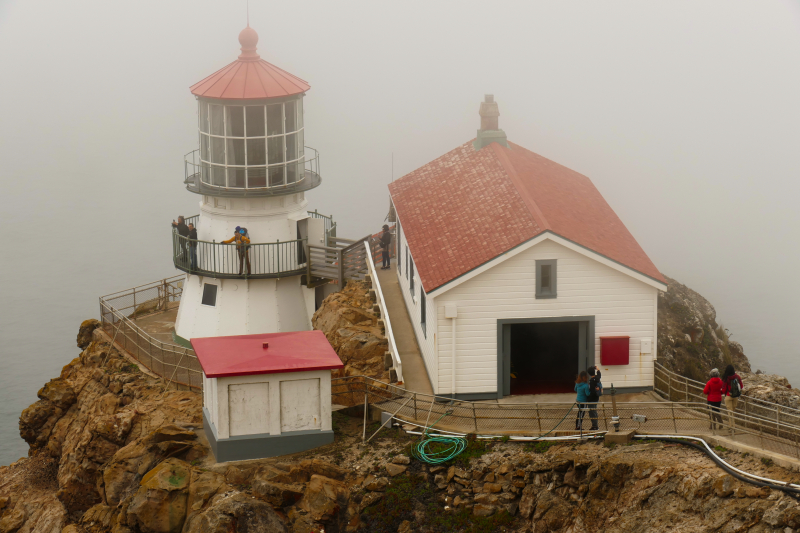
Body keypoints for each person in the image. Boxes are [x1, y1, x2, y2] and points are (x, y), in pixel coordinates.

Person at [721, 364, 744, 435]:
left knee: (730, 412)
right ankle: (731, 426)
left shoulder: (726, 378)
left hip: (728, 396)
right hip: (735, 396)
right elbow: (742, 386)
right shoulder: (737, 377)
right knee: (732, 412)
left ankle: (732, 427)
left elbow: (724, 389)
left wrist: (722, 392)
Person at [587, 366, 603, 431]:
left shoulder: (591, 381)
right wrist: (597, 369)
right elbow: (599, 374)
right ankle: (595, 425)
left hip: (592, 399)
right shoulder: (597, 378)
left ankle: (595, 426)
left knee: (592, 412)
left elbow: (592, 391)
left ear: (589, 374)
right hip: (596, 397)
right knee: (594, 411)